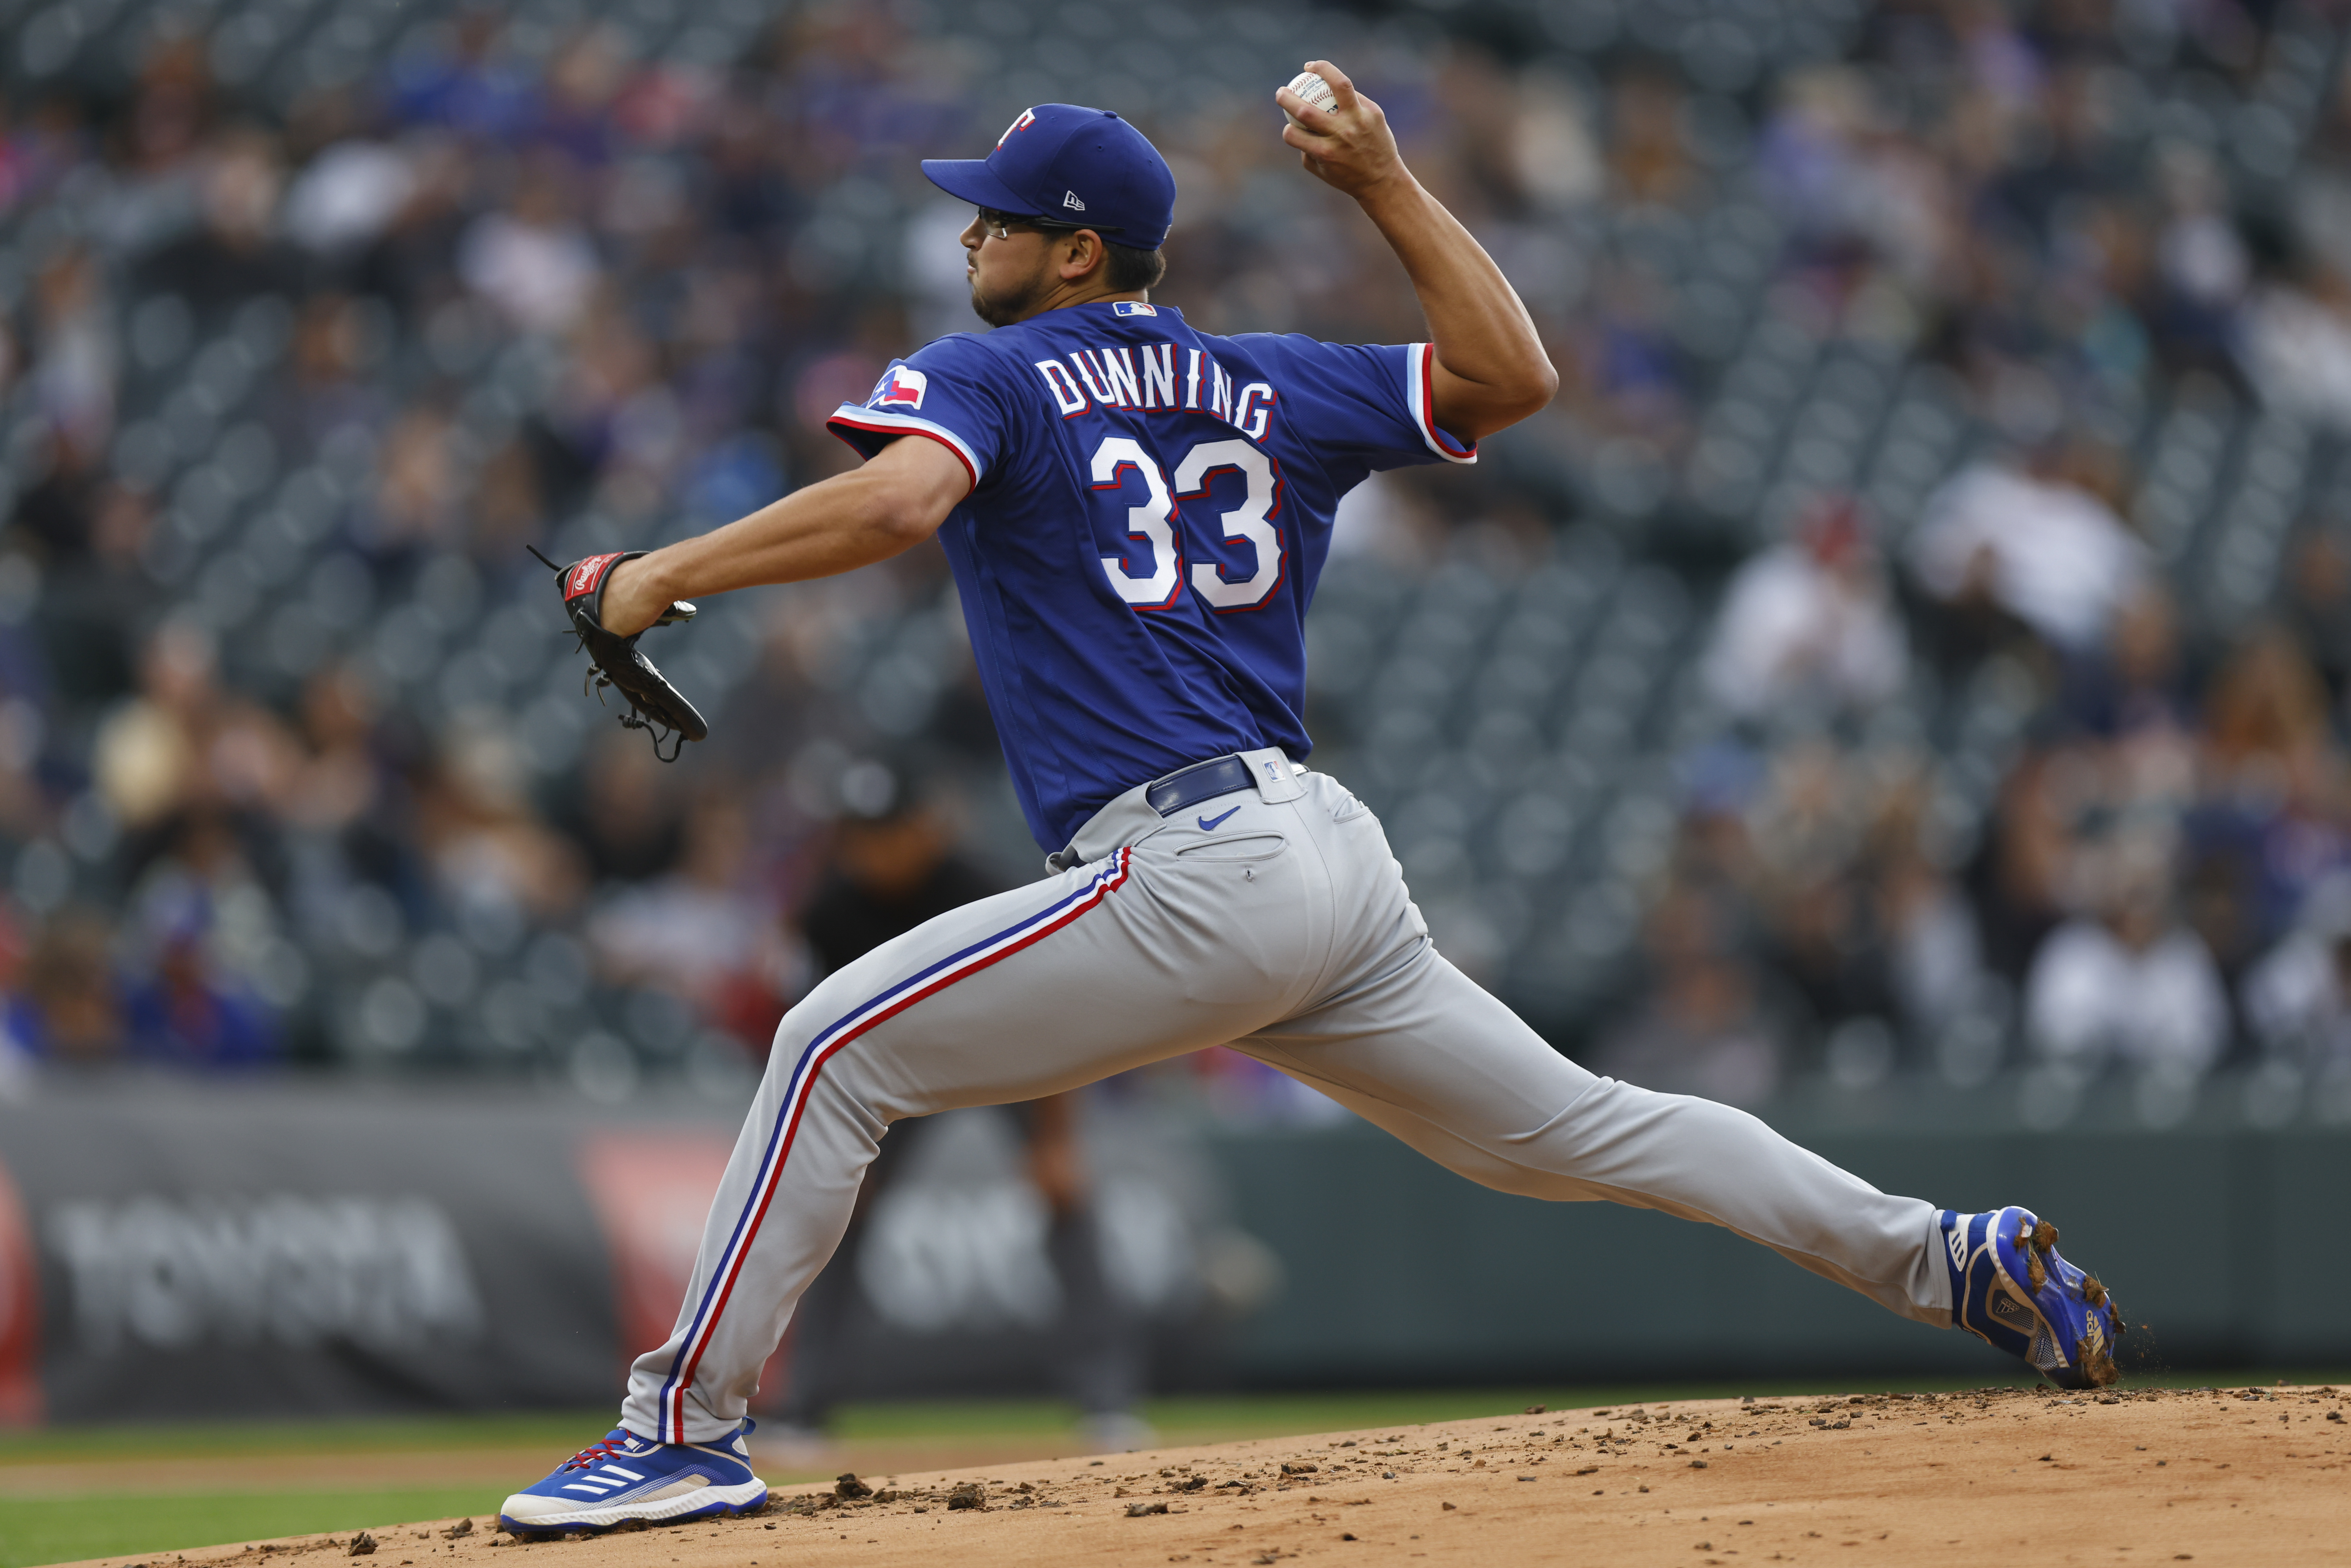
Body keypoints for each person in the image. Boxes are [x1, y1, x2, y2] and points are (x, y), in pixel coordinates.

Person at [500, 67, 2122, 1534]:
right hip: (1322, 860)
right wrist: (1386, 186)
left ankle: (680, 1429)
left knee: (825, 1046)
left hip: (1191, 860)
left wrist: (653, 575)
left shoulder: (988, 375)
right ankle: (1940, 1253)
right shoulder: (1267, 381)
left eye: (997, 214)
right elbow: (1516, 375)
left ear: (1074, 252)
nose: (968, 235)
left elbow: (901, 499)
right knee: (1578, 1128)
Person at [768, 759, 1147, 1451]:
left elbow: (1054, 1015)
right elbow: (817, 1034)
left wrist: (1055, 1139)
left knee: (1066, 1199)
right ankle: (806, 1407)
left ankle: (1106, 1400)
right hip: (904, 1066)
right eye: (859, 835)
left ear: (926, 827)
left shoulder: (984, 888)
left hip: (1012, 1051)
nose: (872, 850)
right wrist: (844, 1152)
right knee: (838, 1211)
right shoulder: (829, 909)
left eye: (887, 832)